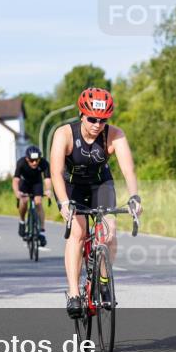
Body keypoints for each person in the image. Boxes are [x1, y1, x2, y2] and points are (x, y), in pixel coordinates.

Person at [50, 88, 142, 318]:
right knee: (78, 233)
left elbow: (128, 170)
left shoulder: (115, 135)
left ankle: (102, 280)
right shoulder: (64, 134)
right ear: (81, 115)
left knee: (109, 232)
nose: (97, 124)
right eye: (92, 119)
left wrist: (134, 196)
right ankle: (73, 293)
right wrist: (63, 203)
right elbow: (55, 171)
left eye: (102, 120)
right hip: (71, 187)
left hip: (101, 184)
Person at [12, 144, 52, 246]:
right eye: (31, 160)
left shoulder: (43, 163)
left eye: (36, 160)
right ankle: (22, 221)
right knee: (24, 201)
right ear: (26, 158)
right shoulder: (21, 163)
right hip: (24, 183)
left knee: (38, 202)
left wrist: (48, 190)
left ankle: (42, 230)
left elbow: (47, 179)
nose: (34, 163)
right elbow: (16, 180)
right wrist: (17, 192)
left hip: (37, 183)